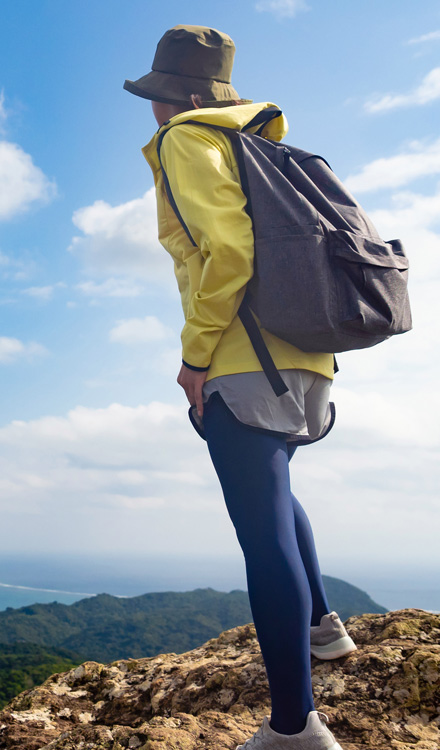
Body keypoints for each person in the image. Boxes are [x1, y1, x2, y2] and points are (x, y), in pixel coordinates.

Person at [124, 25, 358, 750]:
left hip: (241, 356)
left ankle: (295, 728)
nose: (154, 114)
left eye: (158, 99)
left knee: (261, 534)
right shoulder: (262, 143)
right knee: (278, 494)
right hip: (309, 356)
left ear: (180, 97)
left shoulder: (186, 141)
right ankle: (324, 627)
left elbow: (227, 251)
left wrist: (196, 357)